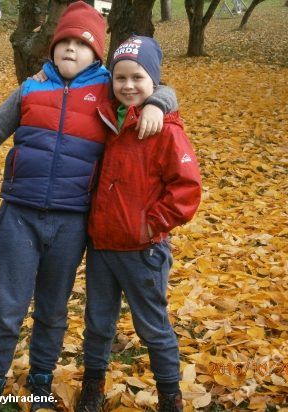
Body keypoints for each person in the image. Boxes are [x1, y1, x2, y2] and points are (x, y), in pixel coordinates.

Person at [0, 4, 178, 411]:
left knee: (53, 311)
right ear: (52, 49)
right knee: (7, 308)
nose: (71, 48)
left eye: (82, 43)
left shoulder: (109, 90)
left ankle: (39, 383)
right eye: (64, 41)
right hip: (19, 215)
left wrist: (159, 103)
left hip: (72, 222)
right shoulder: (30, 88)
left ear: (97, 54)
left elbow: (152, 87)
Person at [75, 36, 202, 412]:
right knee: (97, 323)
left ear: (154, 83)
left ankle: (169, 396)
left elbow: (187, 188)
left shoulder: (164, 130)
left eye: (138, 78)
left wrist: (152, 226)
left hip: (143, 251)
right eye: (120, 78)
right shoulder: (106, 119)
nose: (128, 86)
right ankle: (93, 386)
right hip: (102, 247)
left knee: (152, 327)